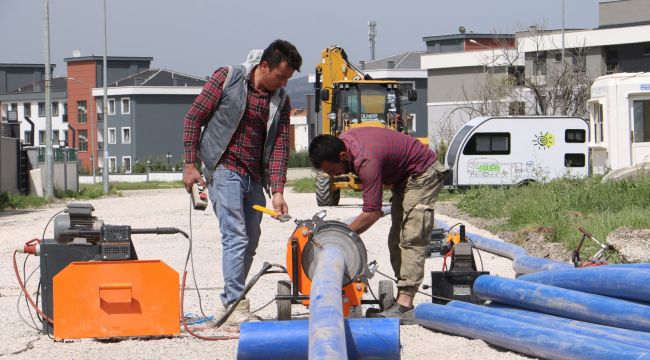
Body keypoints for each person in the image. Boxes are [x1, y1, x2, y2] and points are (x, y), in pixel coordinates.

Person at [182, 40, 302, 326]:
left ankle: (228, 304)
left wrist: (277, 191)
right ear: (264, 66)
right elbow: (193, 118)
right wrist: (190, 165)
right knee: (235, 236)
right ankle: (237, 304)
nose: (284, 83)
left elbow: (280, 147)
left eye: (288, 79)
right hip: (223, 169)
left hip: (254, 178)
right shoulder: (226, 78)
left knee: (250, 240)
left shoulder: (280, 100)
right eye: (281, 76)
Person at [308, 128, 448, 323]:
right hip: (404, 179)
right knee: (395, 239)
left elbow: (372, 212)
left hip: (423, 173)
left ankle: (405, 304)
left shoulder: (366, 161)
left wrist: (341, 235)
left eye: (333, 170)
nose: (333, 176)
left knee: (411, 236)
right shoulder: (343, 145)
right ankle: (403, 300)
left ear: (342, 155)